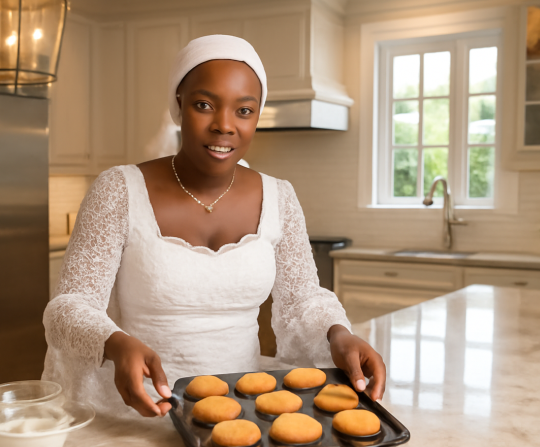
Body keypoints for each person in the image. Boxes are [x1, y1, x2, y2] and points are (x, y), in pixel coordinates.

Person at [42, 35, 386, 418]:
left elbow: (302, 302)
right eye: (204, 105)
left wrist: (339, 334)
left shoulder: (280, 197)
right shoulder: (118, 190)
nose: (224, 126)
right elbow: (69, 308)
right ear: (178, 106)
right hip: (136, 413)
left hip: (242, 414)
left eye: (244, 110)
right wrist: (114, 342)